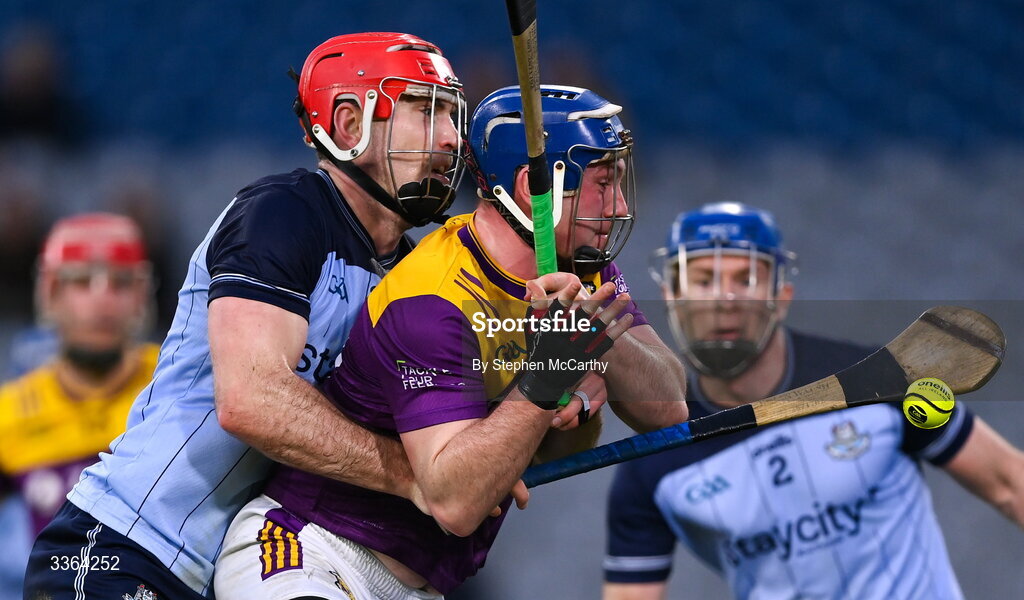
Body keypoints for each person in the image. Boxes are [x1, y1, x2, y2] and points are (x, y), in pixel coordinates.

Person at [24, 32, 469, 600]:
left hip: (223, 575)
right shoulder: (283, 213)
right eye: (426, 112)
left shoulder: (411, 273)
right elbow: (251, 402)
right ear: (349, 124)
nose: (452, 139)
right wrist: (413, 478)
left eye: (454, 117)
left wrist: (548, 375)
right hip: (125, 547)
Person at [213, 85, 689, 599]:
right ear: (533, 187)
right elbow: (456, 502)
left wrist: (594, 338)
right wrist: (550, 375)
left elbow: (669, 406)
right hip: (312, 554)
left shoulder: (584, 271)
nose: (618, 205)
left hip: (416, 587)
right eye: (603, 183)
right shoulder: (435, 298)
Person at [603, 202, 1024, 599]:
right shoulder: (654, 457)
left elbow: (1010, 482)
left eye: (745, 277)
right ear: (672, 295)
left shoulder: (883, 379)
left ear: (782, 297)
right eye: (702, 279)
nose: (723, 300)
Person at [0, 213, 159, 598]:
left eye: (120, 282)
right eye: (81, 281)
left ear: (141, 295)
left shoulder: (178, 385)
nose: (102, 301)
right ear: (50, 293)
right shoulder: (9, 415)